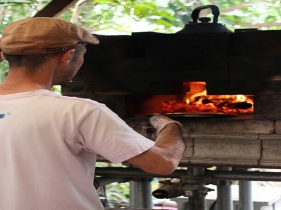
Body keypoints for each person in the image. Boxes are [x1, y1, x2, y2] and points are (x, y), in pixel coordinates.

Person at [0, 17, 185, 210]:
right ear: (68, 56)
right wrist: (170, 127)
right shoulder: (80, 112)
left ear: (5, 55)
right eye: (82, 56)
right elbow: (163, 163)